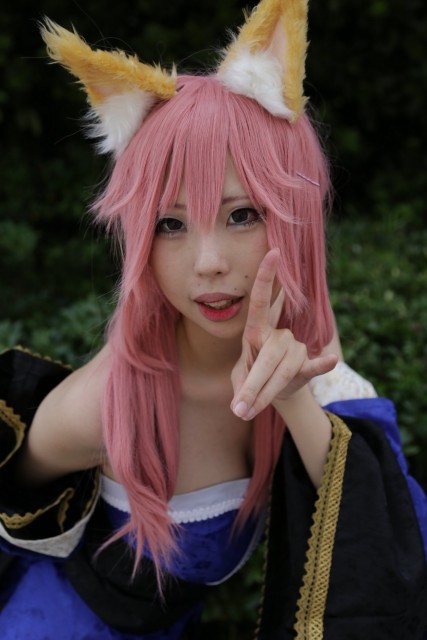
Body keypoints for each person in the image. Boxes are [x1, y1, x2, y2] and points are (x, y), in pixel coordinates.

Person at [0, 1, 426, 638]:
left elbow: (395, 544)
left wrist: (294, 400)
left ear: (294, 216)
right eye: (170, 224)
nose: (208, 264)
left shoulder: (307, 346)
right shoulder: (106, 404)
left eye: (242, 215)